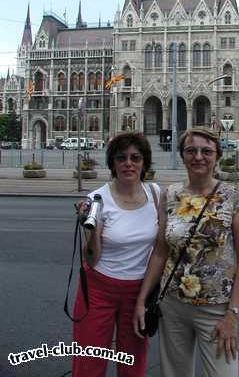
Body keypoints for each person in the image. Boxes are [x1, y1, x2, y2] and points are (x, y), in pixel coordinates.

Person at [134, 126, 239, 377]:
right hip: (172, 304)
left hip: (216, 308)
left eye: (206, 151)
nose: (198, 156)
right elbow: (160, 252)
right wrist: (142, 299)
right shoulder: (170, 194)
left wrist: (232, 314)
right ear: (182, 155)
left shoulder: (233, 195)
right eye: (191, 150)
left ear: (217, 155)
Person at [72, 132, 160, 377]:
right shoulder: (96, 199)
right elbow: (92, 259)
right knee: (89, 362)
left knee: (133, 364)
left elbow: (162, 248)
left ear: (144, 163)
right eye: (121, 158)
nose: (128, 163)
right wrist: (92, 230)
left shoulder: (156, 194)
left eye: (135, 157)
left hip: (138, 292)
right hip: (98, 289)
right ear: (112, 163)